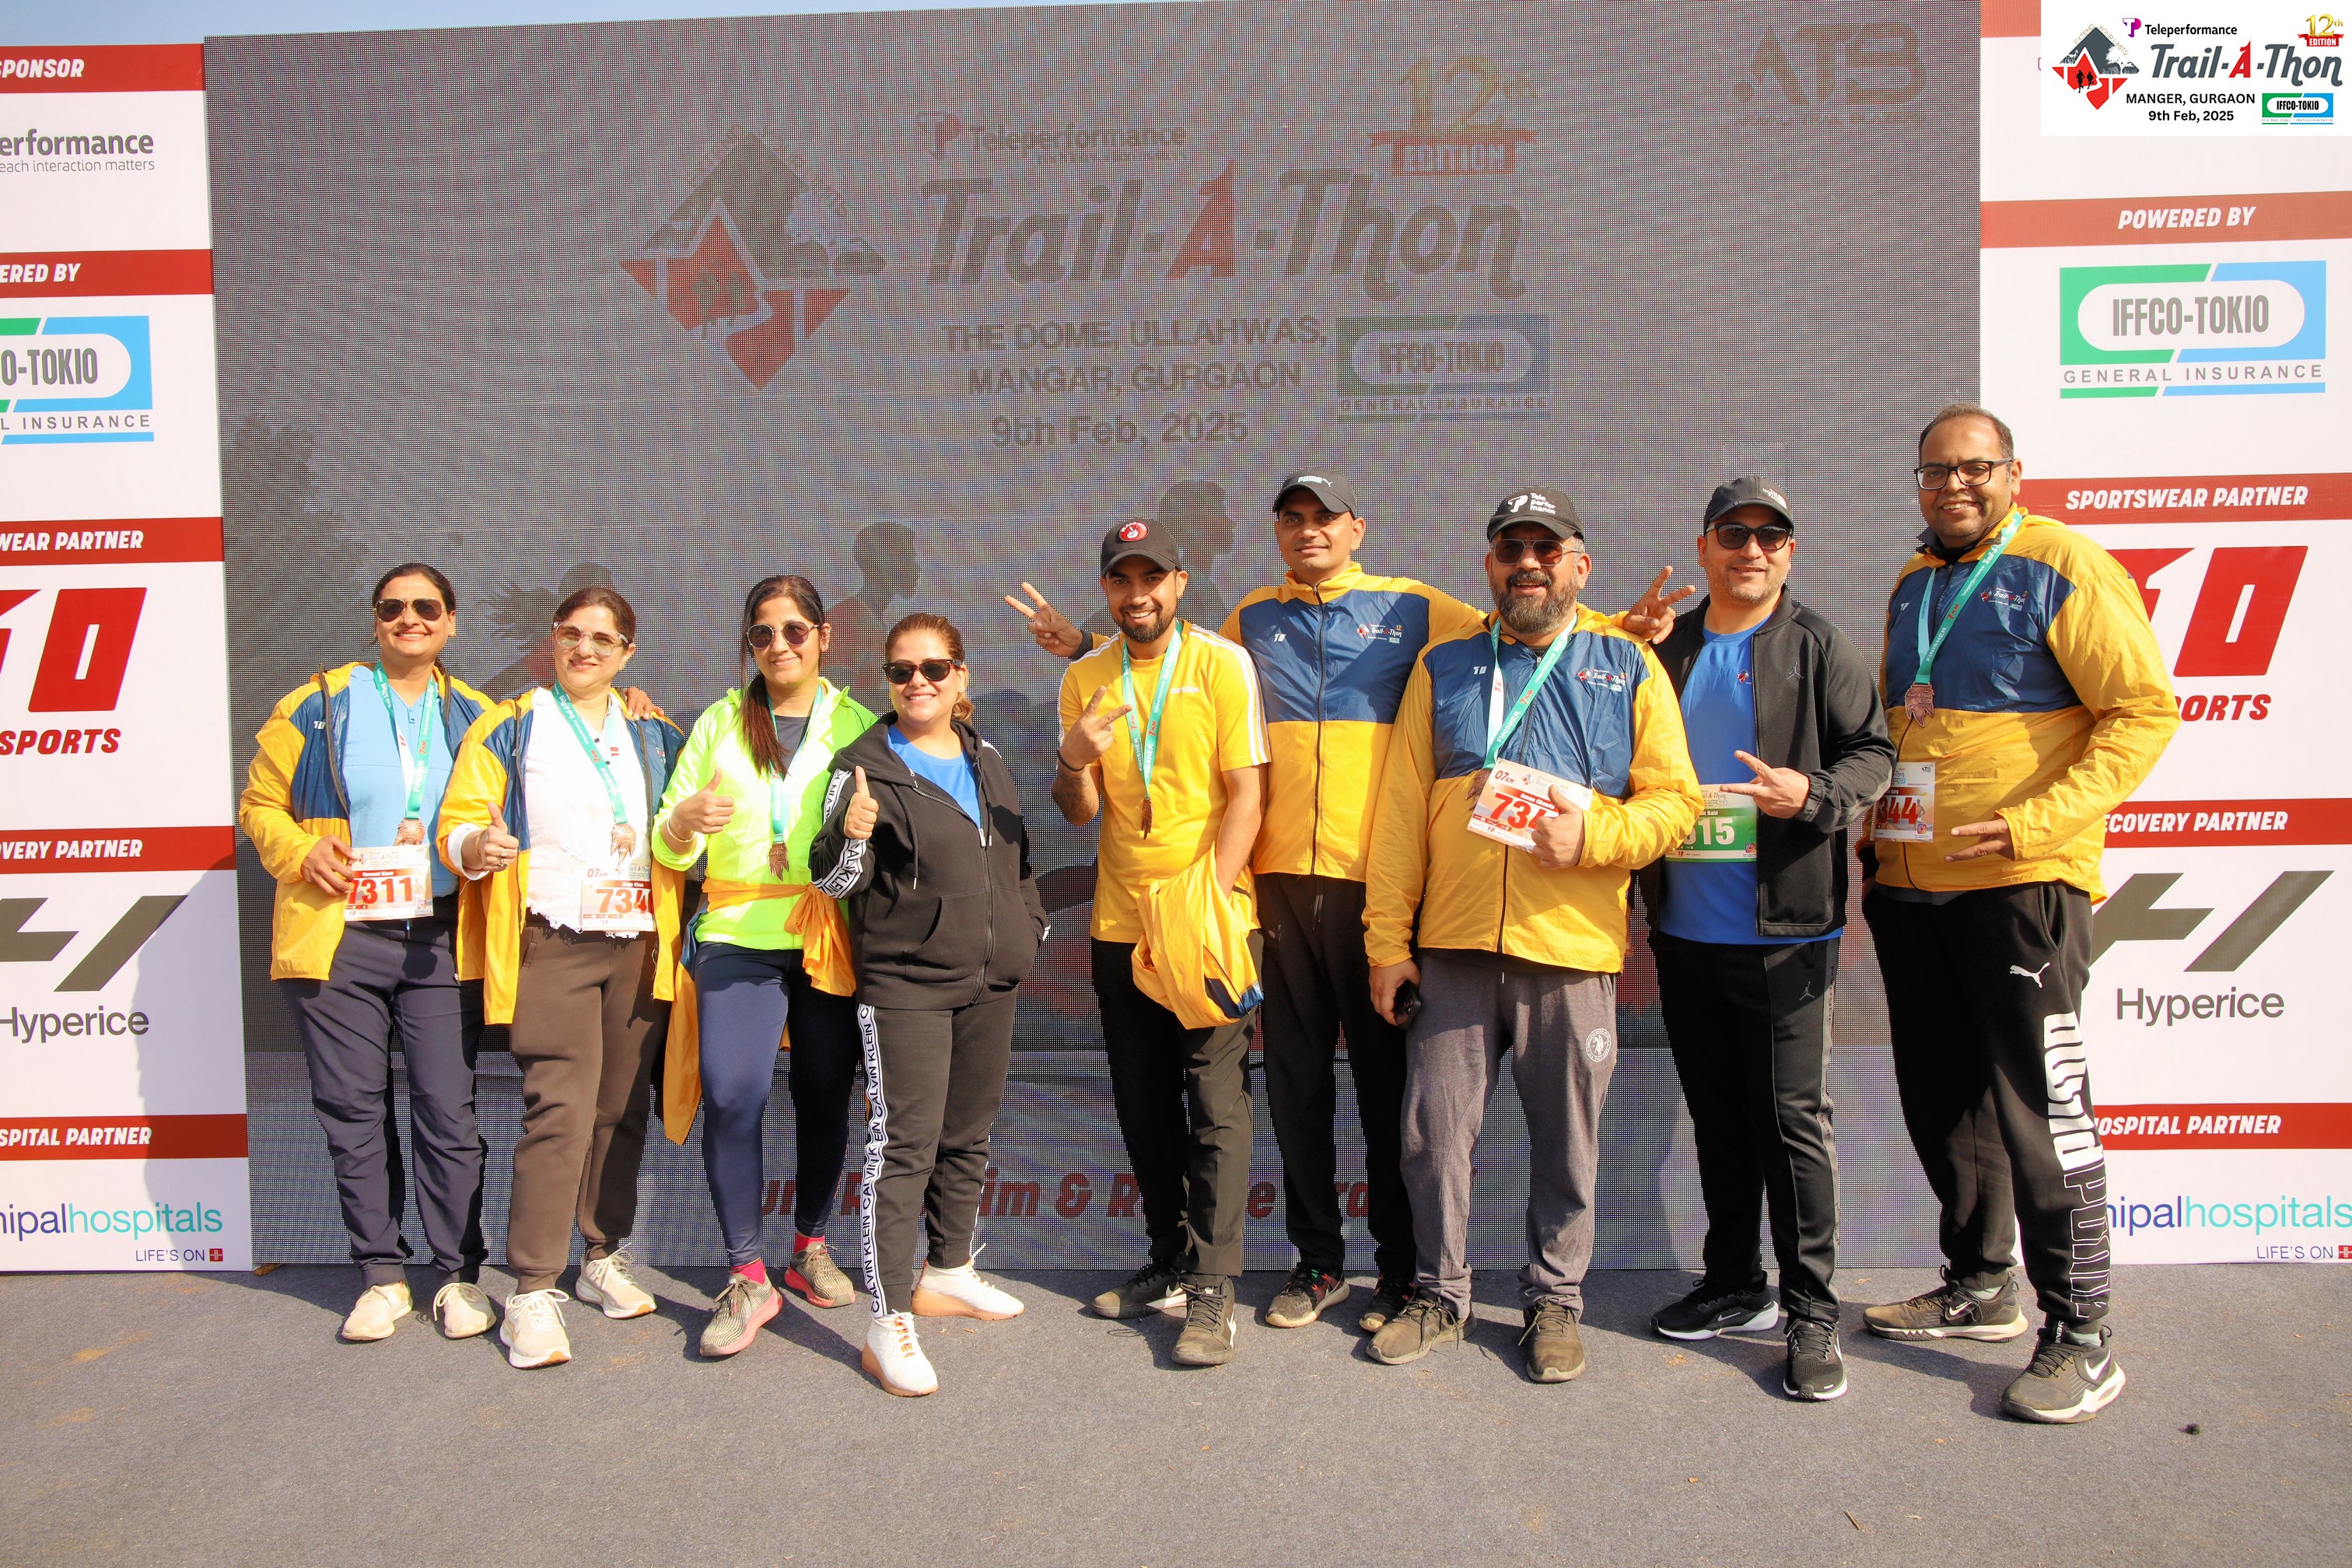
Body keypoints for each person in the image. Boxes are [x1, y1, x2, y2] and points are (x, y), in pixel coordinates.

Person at [1010, 476, 1692, 1335]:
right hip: (1279, 888)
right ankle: (1319, 1263)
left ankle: (1404, 1272)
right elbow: (1161, 656)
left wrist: (1618, 631)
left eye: (1325, 518)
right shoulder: (1252, 619)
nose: (1309, 531)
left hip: (1375, 886)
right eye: (1292, 519)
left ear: (1357, 528)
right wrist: (1085, 645)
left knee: (1388, 1093)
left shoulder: (1416, 608)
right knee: (1295, 1090)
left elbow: (1525, 625)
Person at [1860, 404, 2177, 1424]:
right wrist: (1878, 842)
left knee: (2043, 1111)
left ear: (2013, 473)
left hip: (2020, 886)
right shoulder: (1916, 581)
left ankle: (2083, 1335)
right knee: (1943, 1098)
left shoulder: (2065, 564)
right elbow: (1913, 723)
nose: (1953, 485)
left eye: (1974, 468)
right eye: (1934, 471)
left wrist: (2037, 821)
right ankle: (1979, 1285)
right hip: (1914, 885)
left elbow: (2142, 712)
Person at [1363, 488, 1701, 1382]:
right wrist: (1388, 944)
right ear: (1489, 565)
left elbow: (1675, 804)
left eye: (1546, 550)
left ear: (1579, 566)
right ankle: (1439, 1293)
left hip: (1571, 952)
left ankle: (1554, 1302)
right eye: (1511, 549)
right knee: (1433, 1136)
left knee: (1568, 1142)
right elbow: (1398, 818)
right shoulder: (1444, 666)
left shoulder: (1627, 663)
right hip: (1454, 949)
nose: (1528, 564)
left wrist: (1591, 836)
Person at [1630, 478, 1893, 1402]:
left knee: (1791, 1125)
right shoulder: (1663, 647)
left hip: (1786, 934)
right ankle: (1735, 1281)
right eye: (1734, 534)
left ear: (1790, 552)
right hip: (1683, 931)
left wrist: (1810, 794)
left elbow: (1874, 753)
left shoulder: (1818, 645)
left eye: (1771, 536)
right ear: (1704, 547)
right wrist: (1623, 639)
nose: (1752, 549)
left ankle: (1811, 1313)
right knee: (1719, 1119)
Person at [240, 564, 496, 1344]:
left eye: (426, 607)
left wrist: (635, 704)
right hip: (340, 934)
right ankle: (382, 1277)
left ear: (450, 621)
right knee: (353, 1111)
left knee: (447, 1112)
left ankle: (457, 1277)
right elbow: (260, 803)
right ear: (376, 621)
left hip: (441, 935)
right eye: (393, 608)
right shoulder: (316, 704)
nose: (409, 619)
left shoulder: (480, 715)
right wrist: (298, 851)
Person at [439, 586, 688, 1370]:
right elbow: (458, 823)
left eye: (603, 640)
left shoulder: (653, 731)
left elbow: (680, 828)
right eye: (572, 634)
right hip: (552, 939)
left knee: (622, 1108)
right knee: (560, 1109)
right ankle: (533, 1288)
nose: (585, 650)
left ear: (627, 654)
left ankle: (601, 1255)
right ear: (553, 640)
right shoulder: (509, 725)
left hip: (639, 943)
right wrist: (473, 848)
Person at [807, 614, 1048, 1396]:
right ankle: (887, 1322)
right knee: (904, 1147)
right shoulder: (860, 766)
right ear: (887, 680)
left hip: (990, 980)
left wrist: (1028, 932)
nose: (918, 683)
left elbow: (1019, 861)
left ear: (960, 677)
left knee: (967, 1136)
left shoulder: (989, 758)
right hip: (906, 985)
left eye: (934, 669)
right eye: (902, 671)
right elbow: (831, 881)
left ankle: (948, 1272)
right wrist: (850, 836)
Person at [1052, 519, 1267, 1367]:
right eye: (1121, 580)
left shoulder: (1221, 663)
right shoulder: (1085, 676)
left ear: (1179, 583)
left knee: (1216, 1106)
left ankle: (1213, 1288)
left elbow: (1248, 795)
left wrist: (1208, 901)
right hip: (1120, 925)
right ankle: (1170, 1258)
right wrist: (1073, 760)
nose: (1137, 594)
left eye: (1152, 578)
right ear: (1106, 590)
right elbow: (1080, 812)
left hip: (1206, 921)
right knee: (1143, 1106)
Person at [654, 575, 877, 1359]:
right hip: (737, 933)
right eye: (762, 633)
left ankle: (809, 1245)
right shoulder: (719, 722)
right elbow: (667, 842)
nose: (778, 645)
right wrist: (682, 822)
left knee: (824, 1093)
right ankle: (747, 1275)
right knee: (732, 1093)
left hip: (823, 934)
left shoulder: (858, 724)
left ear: (823, 637)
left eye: (793, 630)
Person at [827, 522, 921, 709]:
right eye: (906, 558)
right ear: (880, 564)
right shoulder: (847, 619)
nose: (915, 568)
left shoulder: (872, 620)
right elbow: (838, 693)